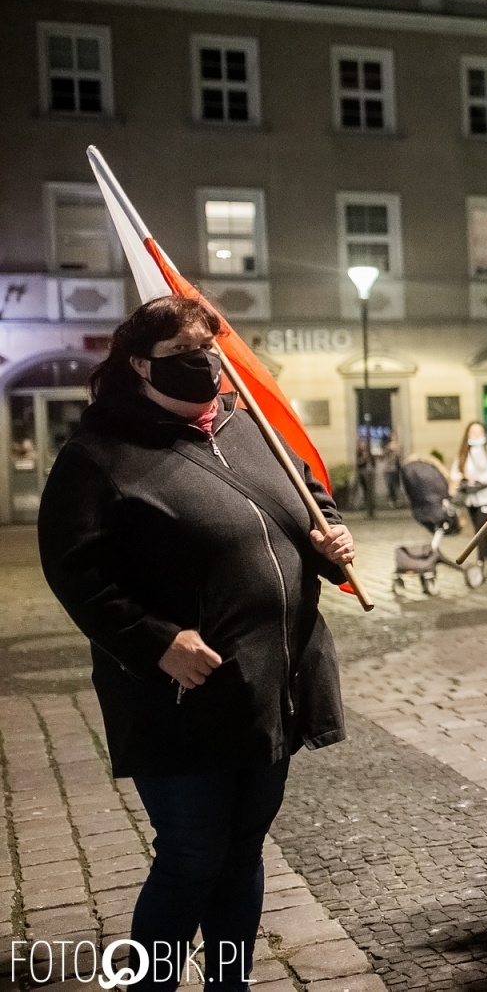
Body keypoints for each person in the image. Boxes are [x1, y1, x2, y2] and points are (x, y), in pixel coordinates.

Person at [36, 295, 353, 992]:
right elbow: (75, 571)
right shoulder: (99, 455)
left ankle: (228, 984)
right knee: (190, 855)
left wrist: (330, 539)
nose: (205, 364)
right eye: (184, 355)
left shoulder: (251, 425)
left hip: (269, 686)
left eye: (210, 346)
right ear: (139, 366)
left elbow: (308, 501)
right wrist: (153, 640)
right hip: (182, 696)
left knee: (241, 852)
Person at [450, 419, 487, 577]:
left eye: (479, 432)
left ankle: (481, 564)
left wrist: (477, 479)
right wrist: (463, 477)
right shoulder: (465, 450)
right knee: (480, 532)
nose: (476, 435)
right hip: (470, 498)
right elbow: (455, 470)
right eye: (473, 432)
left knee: (481, 531)